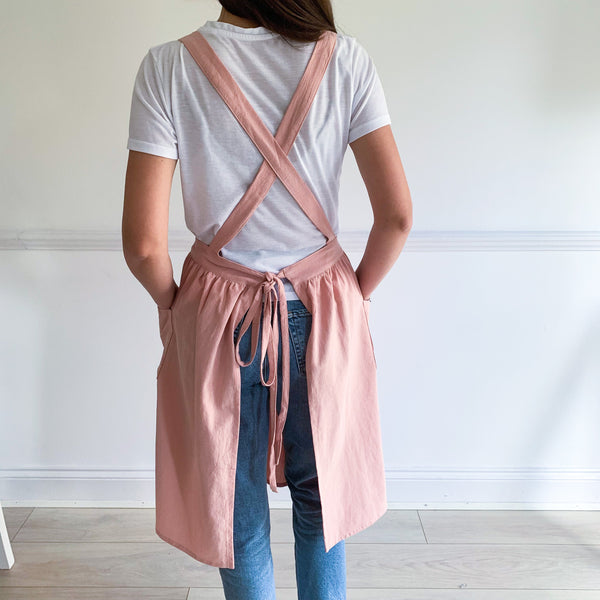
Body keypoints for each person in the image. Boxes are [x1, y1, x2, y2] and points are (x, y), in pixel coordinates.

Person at [122, 1, 412, 598]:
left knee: (237, 508)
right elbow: (398, 216)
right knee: (323, 503)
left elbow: (144, 244)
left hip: (217, 310)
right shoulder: (345, 60)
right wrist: (351, 297)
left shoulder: (167, 67)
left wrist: (170, 305)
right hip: (323, 299)